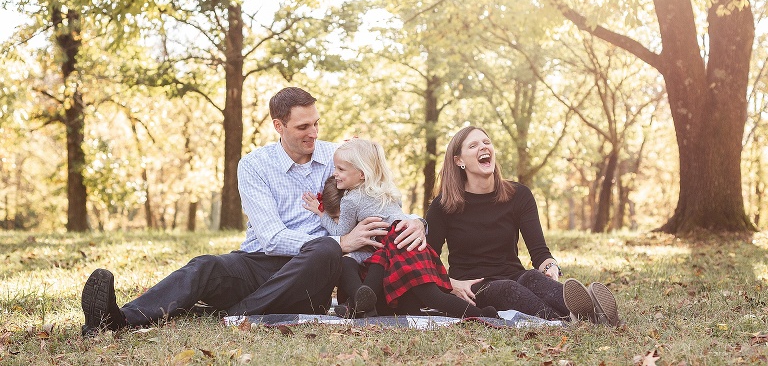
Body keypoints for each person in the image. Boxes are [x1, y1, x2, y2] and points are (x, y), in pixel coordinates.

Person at [80, 87, 427, 336]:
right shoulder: (255, 165)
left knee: (324, 247)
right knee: (206, 265)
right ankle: (117, 320)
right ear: (279, 126)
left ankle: (238, 314)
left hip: (315, 270)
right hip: (261, 261)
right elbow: (271, 237)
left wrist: (416, 221)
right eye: (303, 127)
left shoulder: (338, 158)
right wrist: (343, 241)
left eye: (316, 124)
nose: (314, 133)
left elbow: (379, 191)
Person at [425, 125, 621, 326]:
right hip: (473, 286)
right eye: (473, 145)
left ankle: (593, 312)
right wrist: (452, 285)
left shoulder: (519, 195)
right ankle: (570, 321)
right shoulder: (444, 205)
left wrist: (550, 267)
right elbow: (426, 261)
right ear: (459, 160)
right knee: (507, 288)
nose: (483, 147)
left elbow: (540, 253)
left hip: (514, 274)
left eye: (486, 142)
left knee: (533, 278)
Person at [303, 138, 499, 319]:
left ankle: (481, 315)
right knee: (433, 296)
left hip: (396, 246)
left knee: (429, 296)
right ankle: (481, 313)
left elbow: (341, 233)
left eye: (340, 169)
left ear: (361, 174)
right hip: (408, 240)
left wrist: (321, 214)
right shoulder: (388, 193)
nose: (334, 173)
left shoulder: (351, 200)